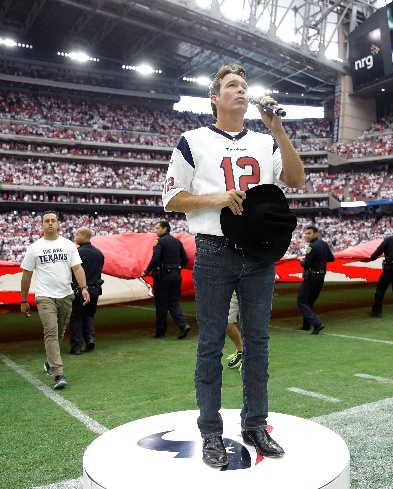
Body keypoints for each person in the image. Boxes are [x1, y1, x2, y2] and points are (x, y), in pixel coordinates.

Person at [162, 63, 305, 467]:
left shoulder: (266, 141)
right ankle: (210, 431)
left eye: (244, 85)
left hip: (260, 254)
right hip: (214, 250)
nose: (241, 90)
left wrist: (277, 128)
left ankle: (255, 424)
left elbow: (296, 180)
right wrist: (218, 198)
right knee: (210, 344)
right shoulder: (192, 140)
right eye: (231, 85)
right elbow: (171, 198)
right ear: (215, 97)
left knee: (257, 343)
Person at [20, 211, 89, 389]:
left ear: (58, 224)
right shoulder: (34, 248)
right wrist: (23, 300)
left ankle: (49, 361)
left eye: (53, 221)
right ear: (42, 225)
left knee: (59, 332)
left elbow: (78, 268)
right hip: (44, 296)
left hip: (66, 295)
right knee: (51, 331)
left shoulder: (68, 245)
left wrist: (84, 288)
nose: (50, 223)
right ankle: (58, 374)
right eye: (46, 221)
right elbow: (26, 275)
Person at [143, 221, 190, 339]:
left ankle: (161, 332)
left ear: (165, 229)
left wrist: (146, 270)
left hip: (162, 277)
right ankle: (183, 325)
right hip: (176, 276)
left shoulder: (159, 242)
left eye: (158, 228)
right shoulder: (177, 242)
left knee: (161, 304)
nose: (156, 230)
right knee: (173, 302)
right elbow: (185, 259)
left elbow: (155, 258)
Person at [69, 227, 105, 354]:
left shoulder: (77, 253)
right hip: (95, 289)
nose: (75, 236)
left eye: (77, 234)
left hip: (80, 290)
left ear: (84, 236)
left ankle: (76, 347)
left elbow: (73, 272)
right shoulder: (99, 253)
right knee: (89, 315)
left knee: (76, 317)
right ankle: (90, 339)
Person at [296, 225, 335, 334]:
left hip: (311, 277)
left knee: (301, 301)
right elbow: (331, 258)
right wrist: (320, 261)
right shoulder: (323, 244)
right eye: (306, 233)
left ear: (316, 234)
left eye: (309, 233)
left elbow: (306, 264)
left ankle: (317, 324)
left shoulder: (312, 247)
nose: (307, 235)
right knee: (310, 301)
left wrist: (300, 260)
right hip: (321, 277)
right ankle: (306, 325)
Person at [225, 292, 243, 370]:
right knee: (226, 324)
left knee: (252, 326)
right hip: (234, 292)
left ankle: (250, 359)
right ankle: (241, 351)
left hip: (254, 291)